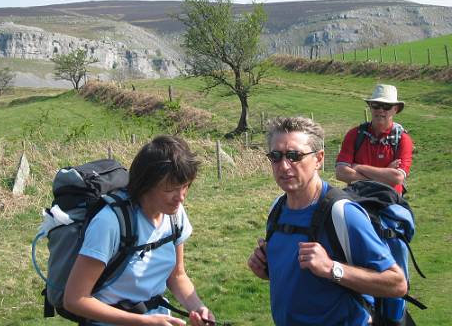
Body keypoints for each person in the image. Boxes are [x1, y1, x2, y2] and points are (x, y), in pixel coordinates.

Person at [247, 116, 407, 326]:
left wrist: (333, 269)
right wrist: (267, 270)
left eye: (294, 156)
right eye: (276, 156)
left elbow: (397, 284)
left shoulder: (342, 213)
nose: (284, 166)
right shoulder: (277, 209)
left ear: (319, 159)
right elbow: (304, 281)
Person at [64, 135, 214, 326]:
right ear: (146, 184)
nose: (181, 197)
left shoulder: (175, 215)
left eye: (185, 186)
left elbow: (177, 275)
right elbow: (75, 299)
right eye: (171, 189)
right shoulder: (109, 222)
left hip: (157, 318)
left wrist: (197, 308)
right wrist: (142, 321)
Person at [335, 84, 413, 194]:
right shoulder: (355, 134)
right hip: (358, 198)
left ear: (395, 109)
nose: (380, 110)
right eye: (376, 105)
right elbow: (341, 173)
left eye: (386, 106)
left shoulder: (402, 139)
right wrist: (385, 174)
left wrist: (358, 167)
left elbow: (397, 177)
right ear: (370, 107)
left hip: (389, 200)